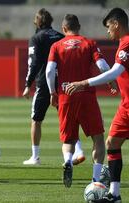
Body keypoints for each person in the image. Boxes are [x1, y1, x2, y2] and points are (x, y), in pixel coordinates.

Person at [65, 8, 128, 203]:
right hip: (125, 105)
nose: (108, 31)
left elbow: (114, 72)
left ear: (116, 24)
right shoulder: (122, 44)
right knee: (111, 143)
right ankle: (114, 195)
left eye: (109, 27)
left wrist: (84, 83)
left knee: (111, 143)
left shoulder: (127, 44)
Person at [45, 14, 112, 188]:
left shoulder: (56, 46)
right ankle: (96, 180)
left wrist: (53, 92)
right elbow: (103, 66)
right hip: (86, 95)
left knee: (68, 139)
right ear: (79, 26)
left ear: (64, 28)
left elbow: (49, 71)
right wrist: (111, 80)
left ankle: (68, 160)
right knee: (98, 138)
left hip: (65, 95)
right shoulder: (89, 44)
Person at [23, 8, 85, 166]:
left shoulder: (36, 38)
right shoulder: (60, 36)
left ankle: (35, 157)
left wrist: (27, 84)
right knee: (68, 119)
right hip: (63, 83)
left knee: (36, 120)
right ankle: (78, 150)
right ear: (50, 21)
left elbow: (34, 63)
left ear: (37, 22)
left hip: (44, 84)